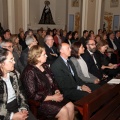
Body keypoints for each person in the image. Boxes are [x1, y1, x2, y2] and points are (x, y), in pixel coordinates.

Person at [21, 45, 74, 120]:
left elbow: (54, 81)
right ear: (37, 57)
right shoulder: (29, 72)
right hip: (40, 103)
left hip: (52, 96)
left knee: (71, 105)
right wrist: (52, 97)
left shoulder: (45, 66)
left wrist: (56, 90)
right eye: (44, 54)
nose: (46, 56)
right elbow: (32, 95)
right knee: (64, 111)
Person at [0, 48, 37, 120]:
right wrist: (11, 116)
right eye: (11, 60)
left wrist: (23, 108)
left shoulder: (15, 74)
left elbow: (21, 93)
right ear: (1, 64)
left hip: (17, 105)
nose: (14, 62)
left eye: (13, 59)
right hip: (3, 111)